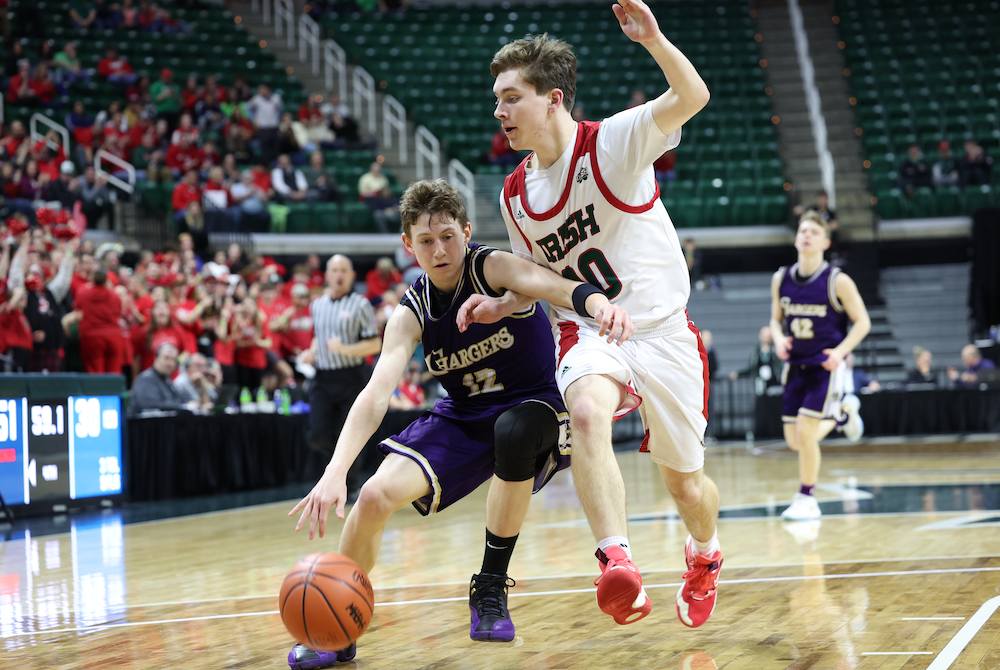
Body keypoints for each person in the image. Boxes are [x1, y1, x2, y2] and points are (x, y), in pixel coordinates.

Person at [288, 179, 632, 668]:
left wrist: (598, 304)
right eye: (426, 241)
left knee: (512, 434)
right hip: (464, 412)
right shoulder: (412, 312)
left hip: (536, 402)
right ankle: (339, 626)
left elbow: (557, 287)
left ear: (466, 232)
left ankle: (489, 589)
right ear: (408, 245)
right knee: (372, 497)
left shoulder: (491, 267)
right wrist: (334, 472)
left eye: (448, 236)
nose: (439, 249)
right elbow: (376, 392)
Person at [473, 8, 720, 629]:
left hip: (663, 331)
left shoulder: (613, 141)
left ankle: (704, 555)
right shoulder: (513, 194)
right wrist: (505, 304)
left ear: (553, 99)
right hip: (588, 331)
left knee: (687, 489)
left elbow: (693, 94)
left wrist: (656, 40)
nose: (499, 111)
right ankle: (617, 562)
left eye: (511, 98)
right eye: (495, 99)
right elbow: (538, 283)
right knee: (584, 411)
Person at [771, 212, 871, 521]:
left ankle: (807, 497)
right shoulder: (781, 278)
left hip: (824, 366)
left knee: (805, 430)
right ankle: (842, 415)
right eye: (803, 230)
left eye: (814, 231)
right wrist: (778, 339)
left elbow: (862, 322)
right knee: (795, 440)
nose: (807, 235)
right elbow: (775, 321)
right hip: (795, 366)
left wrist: (840, 352)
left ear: (825, 242)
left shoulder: (837, 280)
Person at [298, 255, 381, 461]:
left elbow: (374, 344)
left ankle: (350, 489)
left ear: (352, 276)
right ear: (326, 275)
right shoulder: (317, 305)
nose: (339, 275)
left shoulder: (361, 305)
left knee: (349, 437)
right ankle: (340, 462)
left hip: (351, 377)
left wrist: (344, 349)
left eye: (344, 270)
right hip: (323, 378)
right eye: (334, 270)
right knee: (316, 436)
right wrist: (312, 352)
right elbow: (320, 335)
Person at [129, 343, 202, 415]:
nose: (170, 363)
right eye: (166, 358)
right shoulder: (146, 379)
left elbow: (179, 401)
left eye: (173, 360)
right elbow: (150, 405)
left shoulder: (167, 380)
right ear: (156, 359)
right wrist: (183, 407)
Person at [75, 270, 124, 374]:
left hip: (91, 337)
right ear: (106, 281)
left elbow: (77, 309)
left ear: (92, 280)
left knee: (95, 371)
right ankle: (113, 390)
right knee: (114, 370)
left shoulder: (83, 294)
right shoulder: (114, 296)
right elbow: (119, 312)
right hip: (113, 336)